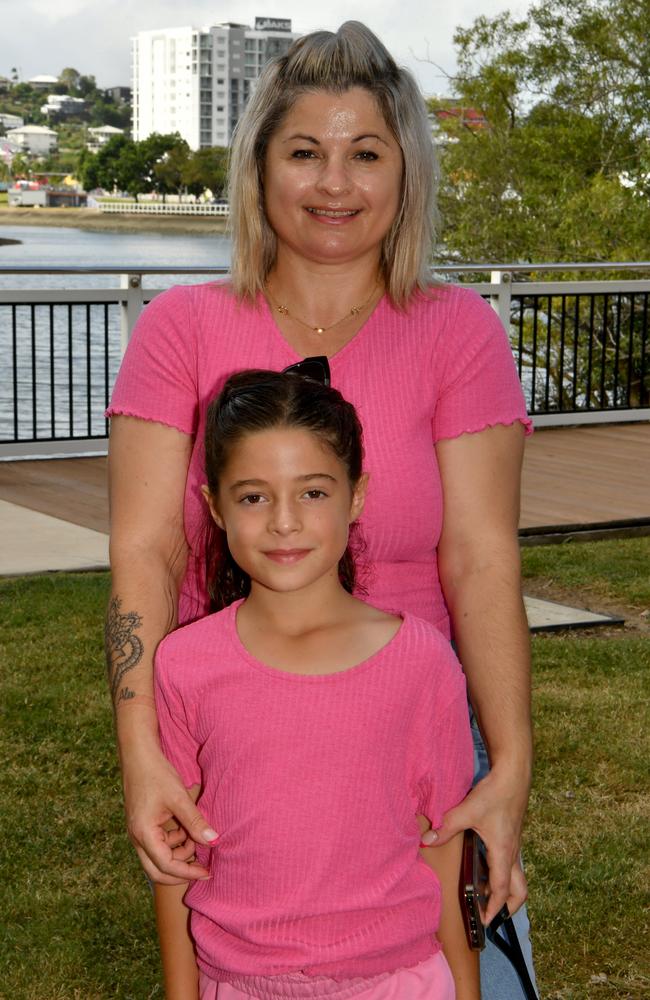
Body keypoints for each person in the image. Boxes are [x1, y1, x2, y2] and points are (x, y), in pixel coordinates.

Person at [105, 21, 536, 998]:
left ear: (405, 172)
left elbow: (480, 558)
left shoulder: (455, 332)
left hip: (410, 741)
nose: (334, 183)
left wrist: (505, 767)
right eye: (304, 151)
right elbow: (144, 552)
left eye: (365, 154)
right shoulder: (180, 329)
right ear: (259, 168)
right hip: (229, 741)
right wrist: (142, 755)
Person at [152, 367, 479, 1000]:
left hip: (398, 982)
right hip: (240, 983)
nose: (282, 522)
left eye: (312, 493)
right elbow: (173, 857)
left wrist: (467, 990)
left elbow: (444, 839)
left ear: (357, 496)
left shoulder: (422, 660)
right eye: (253, 496)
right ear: (214, 505)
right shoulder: (184, 663)